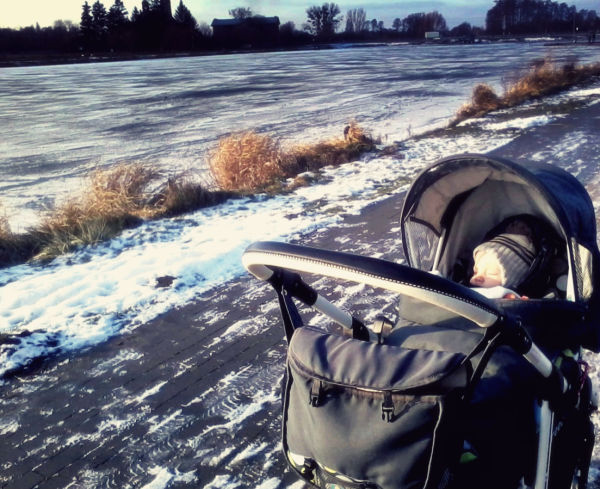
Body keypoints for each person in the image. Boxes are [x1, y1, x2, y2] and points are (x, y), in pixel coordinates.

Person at [470, 223, 536, 299]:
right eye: (475, 272)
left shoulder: (506, 295)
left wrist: (517, 303)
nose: (478, 277)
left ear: (511, 279)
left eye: (492, 272)